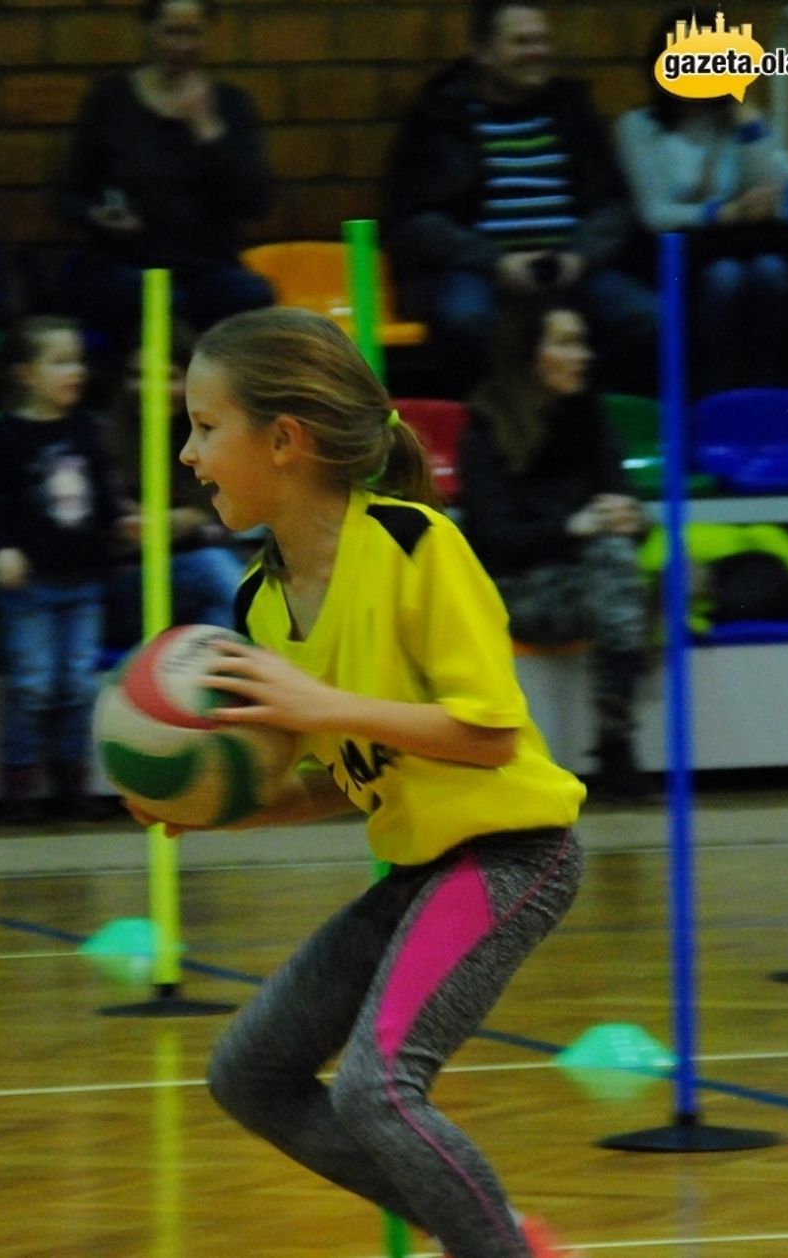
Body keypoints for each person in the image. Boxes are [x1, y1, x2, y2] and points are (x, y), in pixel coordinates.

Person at [128, 307, 583, 1258]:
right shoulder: (260, 602)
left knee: (378, 1089)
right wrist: (220, 809)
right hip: (421, 868)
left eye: (205, 426)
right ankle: (494, 1234)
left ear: (284, 440)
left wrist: (320, 703)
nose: (187, 453)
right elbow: (356, 776)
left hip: (513, 856)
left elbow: (489, 736)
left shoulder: (418, 545)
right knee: (249, 1074)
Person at [382, 0, 654, 395]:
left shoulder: (571, 110)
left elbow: (612, 204)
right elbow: (416, 222)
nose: (538, 52)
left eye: (543, 41)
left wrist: (579, 257)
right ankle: (492, 423)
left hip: (571, 268)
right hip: (478, 271)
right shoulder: (439, 116)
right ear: (483, 52)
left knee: (648, 316)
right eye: (522, 42)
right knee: (463, 317)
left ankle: (595, 420)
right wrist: (495, 263)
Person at [455, 296, 651, 801]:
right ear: (530, 354)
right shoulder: (486, 428)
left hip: (590, 581)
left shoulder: (591, 416)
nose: (582, 355)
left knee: (641, 563)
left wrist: (632, 518)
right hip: (513, 589)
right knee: (620, 570)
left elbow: (619, 499)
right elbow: (493, 540)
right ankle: (615, 743)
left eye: (582, 343)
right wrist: (572, 528)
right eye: (566, 343)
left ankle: (614, 731)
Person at [0, 317, 120, 823]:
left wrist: (119, 524)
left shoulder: (87, 429)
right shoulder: (4, 435)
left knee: (77, 684)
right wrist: (0, 549)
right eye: (59, 362)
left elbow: (102, 496)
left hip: (85, 581)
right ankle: (18, 785)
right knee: (33, 684)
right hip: (30, 586)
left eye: (77, 361)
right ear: (26, 374)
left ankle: (72, 782)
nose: (74, 371)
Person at [614, 9, 788, 397]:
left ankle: (765, 394)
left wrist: (751, 125)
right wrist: (721, 212)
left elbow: (774, 195)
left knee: (773, 271)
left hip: (736, 246)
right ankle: (719, 397)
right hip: (673, 253)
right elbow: (655, 214)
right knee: (725, 279)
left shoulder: (738, 123)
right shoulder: (638, 127)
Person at [55, 0, 275, 337]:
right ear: (148, 30)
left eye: (193, 34)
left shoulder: (231, 104)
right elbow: (68, 195)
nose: (182, 46)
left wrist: (207, 128)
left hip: (207, 267)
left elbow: (254, 201)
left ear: (209, 33)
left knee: (252, 294)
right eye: (171, 33)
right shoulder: (111, 100)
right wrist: (98, 216)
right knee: (158, 299)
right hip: (124, 265)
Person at [102, 325, 246, 648]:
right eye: (139, 375)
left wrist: (176, 522)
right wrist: (185, 520)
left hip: (192, 586)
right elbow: (117, 532)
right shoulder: (103, 437)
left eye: (169, 377)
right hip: (122, 590)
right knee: (213, 568)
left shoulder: (211, 438)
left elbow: (221, 517)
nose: (151, 388)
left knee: (216, 619)